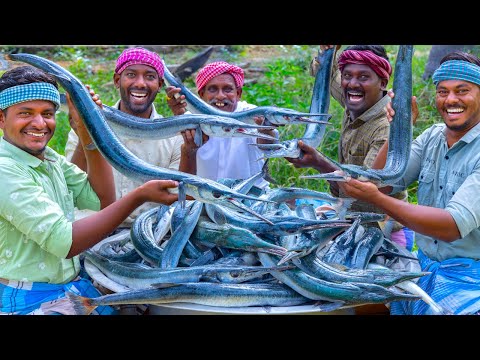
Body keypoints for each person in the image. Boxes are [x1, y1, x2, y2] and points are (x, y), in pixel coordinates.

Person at [0, 65, 179, 315]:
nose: (39, 123)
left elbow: (102, 199)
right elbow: (65, 242)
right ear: (1, 118)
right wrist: (139, 196)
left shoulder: (49, 159)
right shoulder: (5, 169)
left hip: (66, 290)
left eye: (48, 113)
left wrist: (87, 130)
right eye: (25, 113)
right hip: (27, 297)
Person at [339, 51, 480, 315]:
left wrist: (377, 199)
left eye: (462, 91)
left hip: (470, 277)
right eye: (442, 92)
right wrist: (399, 128)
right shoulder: (432, 137)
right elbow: (384, 182)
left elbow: (452, 226)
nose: (451, 100)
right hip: (423, 267)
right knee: (358, 298)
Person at [286, 45, 418, 251]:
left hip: (384, 236)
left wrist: (318, 162)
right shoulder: (358, 99)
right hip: (350, 222)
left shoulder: (386, 127)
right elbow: (325, 73)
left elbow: (362, 190)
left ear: (382, 83)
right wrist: (329, 50)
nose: (352, 84)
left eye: (363, 77)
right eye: (347, 75)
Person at [65, 47, 190, 228]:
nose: (140, 83)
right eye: (131, 74)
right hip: (92, 231)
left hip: (149, 232)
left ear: (160, 84)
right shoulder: (87, 122)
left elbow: (176, 196)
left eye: (150, 76)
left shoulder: (173, 134)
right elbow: (71, 187)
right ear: (117, 80)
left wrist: (190, 151)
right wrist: (84, 133)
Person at [168, 60, 278, 188]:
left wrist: (265, 130)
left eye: (228, 89)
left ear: (238, 94)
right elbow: (183, 175)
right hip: (206, 199)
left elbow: (269, 146)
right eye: (213, 89)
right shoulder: (190, 120)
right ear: (202, 94)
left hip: (249, 199)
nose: (220, 96)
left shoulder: (251, 115)